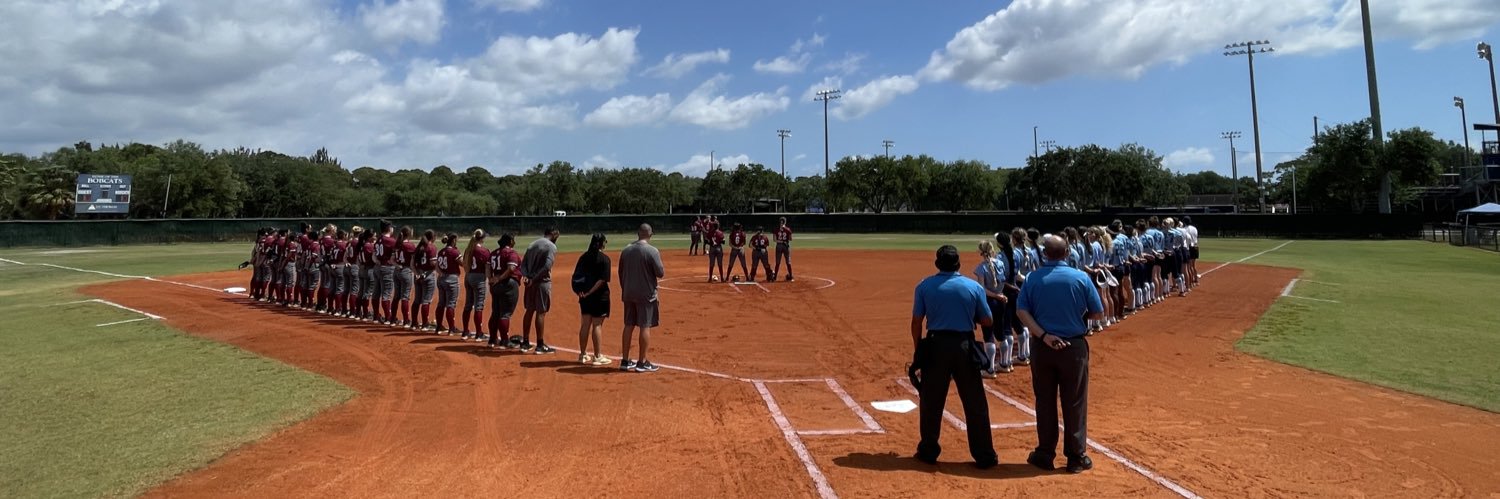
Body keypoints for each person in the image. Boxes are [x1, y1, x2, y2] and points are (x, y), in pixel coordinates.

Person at [1016, 235, 1104, 474]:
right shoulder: (1081, 277)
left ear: (1045, 254)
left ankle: (1045, 453)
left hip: (1043, 347)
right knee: (1074, 401)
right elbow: (1097, 313)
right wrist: (1077, 320)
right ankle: (1076, 457)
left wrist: (1043, 335)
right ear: (1067, 254)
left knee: (1044, 400)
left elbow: (1021, 310)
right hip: (1073, 346)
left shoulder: (1033, 278)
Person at [909, 245, 997, 468]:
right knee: (975, 401)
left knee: (931, 400)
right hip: (964, 345)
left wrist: (919, 348)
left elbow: (917, 321)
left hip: (936, 345)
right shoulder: (973, 287)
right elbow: (987, 321)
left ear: (938, 264)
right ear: (958, 264)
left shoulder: (924, 286)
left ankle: (928, 450)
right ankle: (984, 454)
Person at [618, 224, 665, 373]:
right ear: (650, 235)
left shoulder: (626, 250)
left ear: (638, 233)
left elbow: (620, 272)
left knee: (628, 325)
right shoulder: (652, 251)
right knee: (645, 326)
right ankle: (642, 362)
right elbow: (660, 273)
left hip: (628, 292)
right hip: (645, 294)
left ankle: (625, 361)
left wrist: (625, 288)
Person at [573, 233, 613, 365]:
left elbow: (577, 276)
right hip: (599, 296)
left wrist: (581, 292)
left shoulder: (584, 257)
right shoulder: (604, 259)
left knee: (585, 324)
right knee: (597, 325)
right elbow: (602, 280)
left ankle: (583, 354)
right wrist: (590, 292)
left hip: (584, 296)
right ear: (602, 243)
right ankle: (597, 356)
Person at [973, 240, 1010, 377]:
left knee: (988, 334)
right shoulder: (1000, 263)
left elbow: (982, 289)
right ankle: (1005, 364)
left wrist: (995, 295)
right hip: (1001, 301)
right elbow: (1003, 281)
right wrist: (999, 295)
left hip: (989, 302)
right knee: (1001, 333)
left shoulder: (981, 267)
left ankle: (990, 369)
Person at [520, 227, 560, 354]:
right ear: (553, 234)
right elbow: (547, 266)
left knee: (529, 310)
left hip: (530, 283)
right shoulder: (551, 247)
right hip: (542, 282)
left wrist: (527, 277)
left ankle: (525, 342)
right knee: (541, 312)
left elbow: (523, 264)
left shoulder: (532, 244)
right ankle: (540, 344)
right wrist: (535, 278)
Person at [487, 233, 522, 348]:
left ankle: (492, 339)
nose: (514, 242)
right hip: (508, 284)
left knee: (495, 313)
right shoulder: (511, 253)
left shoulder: (493, 253)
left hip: (495, 286)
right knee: (505, 314)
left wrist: (491, 279)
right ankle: (505, 341)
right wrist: (500, 278)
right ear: (510, 241)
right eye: (513, 240)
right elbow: (511, 268)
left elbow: (487, 267)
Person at [460, 230, 490, 341]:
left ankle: (465, 332)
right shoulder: (483, 251)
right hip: (479, 278)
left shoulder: (468, 249)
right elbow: (488, 266)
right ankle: (478, 333)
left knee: (468, 305)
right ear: (482, 238)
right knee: (479, 306)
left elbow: (464, 263)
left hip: (468, 276)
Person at [434, 233, 462, 335]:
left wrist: (440, 273)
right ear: (453, 240)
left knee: (441, 303)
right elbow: (462, 263)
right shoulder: (454, 252)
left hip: (441, 279)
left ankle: (439, 326)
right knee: (450, 304)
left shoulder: (441, 251)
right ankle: (451, 328)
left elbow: (436, 266)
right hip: (451, 279)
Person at [412, 230, 438, 331]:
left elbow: (413, 263)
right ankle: (425, 324)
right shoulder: (431, 247)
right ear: (433, 237)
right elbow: (432, 263)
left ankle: (414, 323)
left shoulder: (418, 247)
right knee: (426, 301)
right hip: (428, 274)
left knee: (417, 300)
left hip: (418, 274)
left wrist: (417, 273)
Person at [394, 226, 416, 328]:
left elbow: (392, 259)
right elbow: (414, 260)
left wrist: (397, 265)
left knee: (396, 296)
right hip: (406, 270)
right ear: (409, 234)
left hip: (397, 270)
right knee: (405, 297)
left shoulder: (397, 244)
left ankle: (392, 318)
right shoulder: (410, 245)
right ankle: (406, 321)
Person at [772, 217, 794, 282]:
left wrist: (780, 241)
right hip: (786, 246)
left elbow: (774, 239)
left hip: (779, 246)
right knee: (788, 262)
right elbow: (790, 239)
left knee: (777, 262)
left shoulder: (776, 229)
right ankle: (790, 277)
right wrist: (784, 240)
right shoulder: (788, 229)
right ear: (785, 222)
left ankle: (775, 277)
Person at [1183, 216, 1200, 288]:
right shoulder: (1194, 228)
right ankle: (1195, 279)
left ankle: (1191, 282)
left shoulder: (1184, 229)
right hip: (1196, 247)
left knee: (1189, 267)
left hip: (1190, 247)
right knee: (1193, 265)